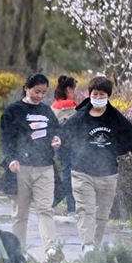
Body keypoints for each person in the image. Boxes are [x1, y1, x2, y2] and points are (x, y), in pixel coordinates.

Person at [62, 76, 132, 253]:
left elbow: (130, 135)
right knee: (85, 210)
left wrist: (125, 150)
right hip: (82, 171)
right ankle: (87, 245)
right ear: (90, 94)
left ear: (108, 96)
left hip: (108, 174)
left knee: (102, 215)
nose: (98, 97)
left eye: (102, 94)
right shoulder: (80, 118)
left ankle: (94, 248)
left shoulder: (115, 118)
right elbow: (64, 136)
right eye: (95, 94)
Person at [0, 73, 62, 260]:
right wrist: (10, 159)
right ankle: (19, 251)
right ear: (26, 87)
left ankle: (50, 248)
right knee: (20, 213)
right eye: (36, 91)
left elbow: (55, 131)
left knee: (46, 209)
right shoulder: (13, 110)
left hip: (44, 167)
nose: (40, 96)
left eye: (43, 93)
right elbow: (6, 138)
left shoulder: (47, 111)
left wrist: (57, 139)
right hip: (21, 169)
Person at [51, 75, 78, 222]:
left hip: (59, 145)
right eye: (74, 90)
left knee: (67, 174)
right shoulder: (69, 106)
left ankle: (71, 208)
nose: (75, 94)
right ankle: (72, 209)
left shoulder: (55, 105)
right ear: (69, 89)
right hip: (70, 145)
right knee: (71, 176)